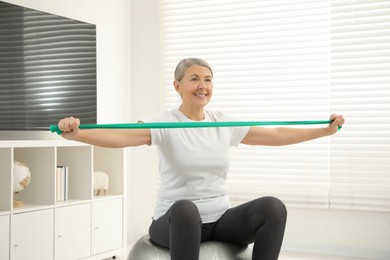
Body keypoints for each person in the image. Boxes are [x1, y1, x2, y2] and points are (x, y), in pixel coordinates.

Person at [58, 58, 345, 260]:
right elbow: (121, 137)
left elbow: (277, 134)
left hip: (220, 220)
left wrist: (325, 131)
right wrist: (77, 134)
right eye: (194, 78)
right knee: (185, 209)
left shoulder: (222, 122)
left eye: (207, 79)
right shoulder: (164, 122)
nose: (202, 85)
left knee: (273, 208)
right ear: (177, 85)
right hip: (173, 223)